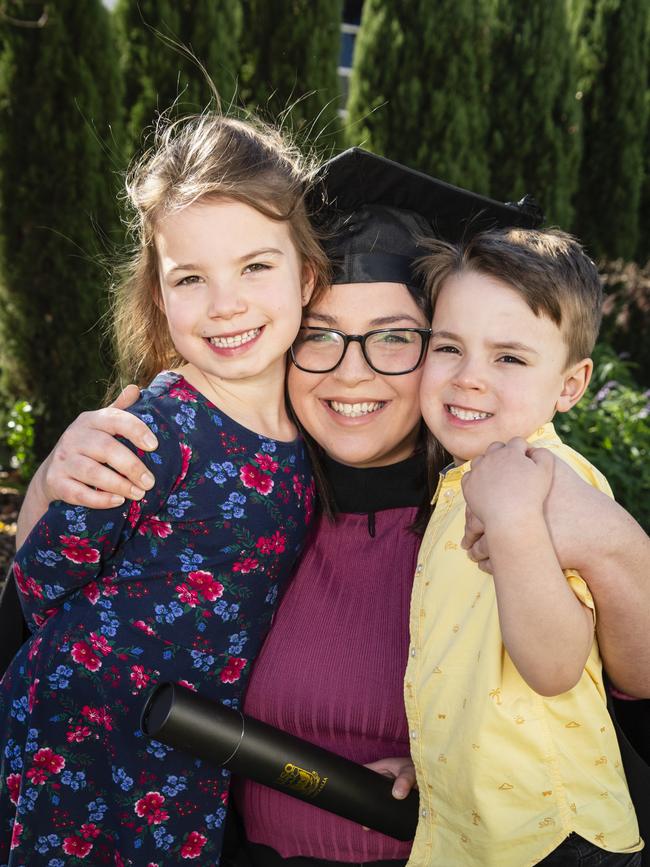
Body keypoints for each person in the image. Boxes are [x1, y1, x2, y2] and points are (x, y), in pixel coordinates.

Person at [6, 152, 650, 866]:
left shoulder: (503, 508)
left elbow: (603, 695)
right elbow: (44, 619)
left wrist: (611, 542)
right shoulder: (252, 497)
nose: (351, 370)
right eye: (319, 335)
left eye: (396, 337)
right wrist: (53, 479)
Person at [0, 112, 329, 866]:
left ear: (305, 275)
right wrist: (55, 477)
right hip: (81, 735)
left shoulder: (314, 436)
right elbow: (43, 576)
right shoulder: (160, 424)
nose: (226, 303)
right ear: (159, 293)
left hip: (189, 745)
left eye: (254, 267)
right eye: (191, 278)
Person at [405, 228, 643, 866]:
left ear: (570, 385)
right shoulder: (464, 479)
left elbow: (555, 665)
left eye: (509, 357)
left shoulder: (550, 481)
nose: (469, 378)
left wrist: (513, 527)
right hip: (481, 827)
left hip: (551, 833)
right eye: (449, 346)